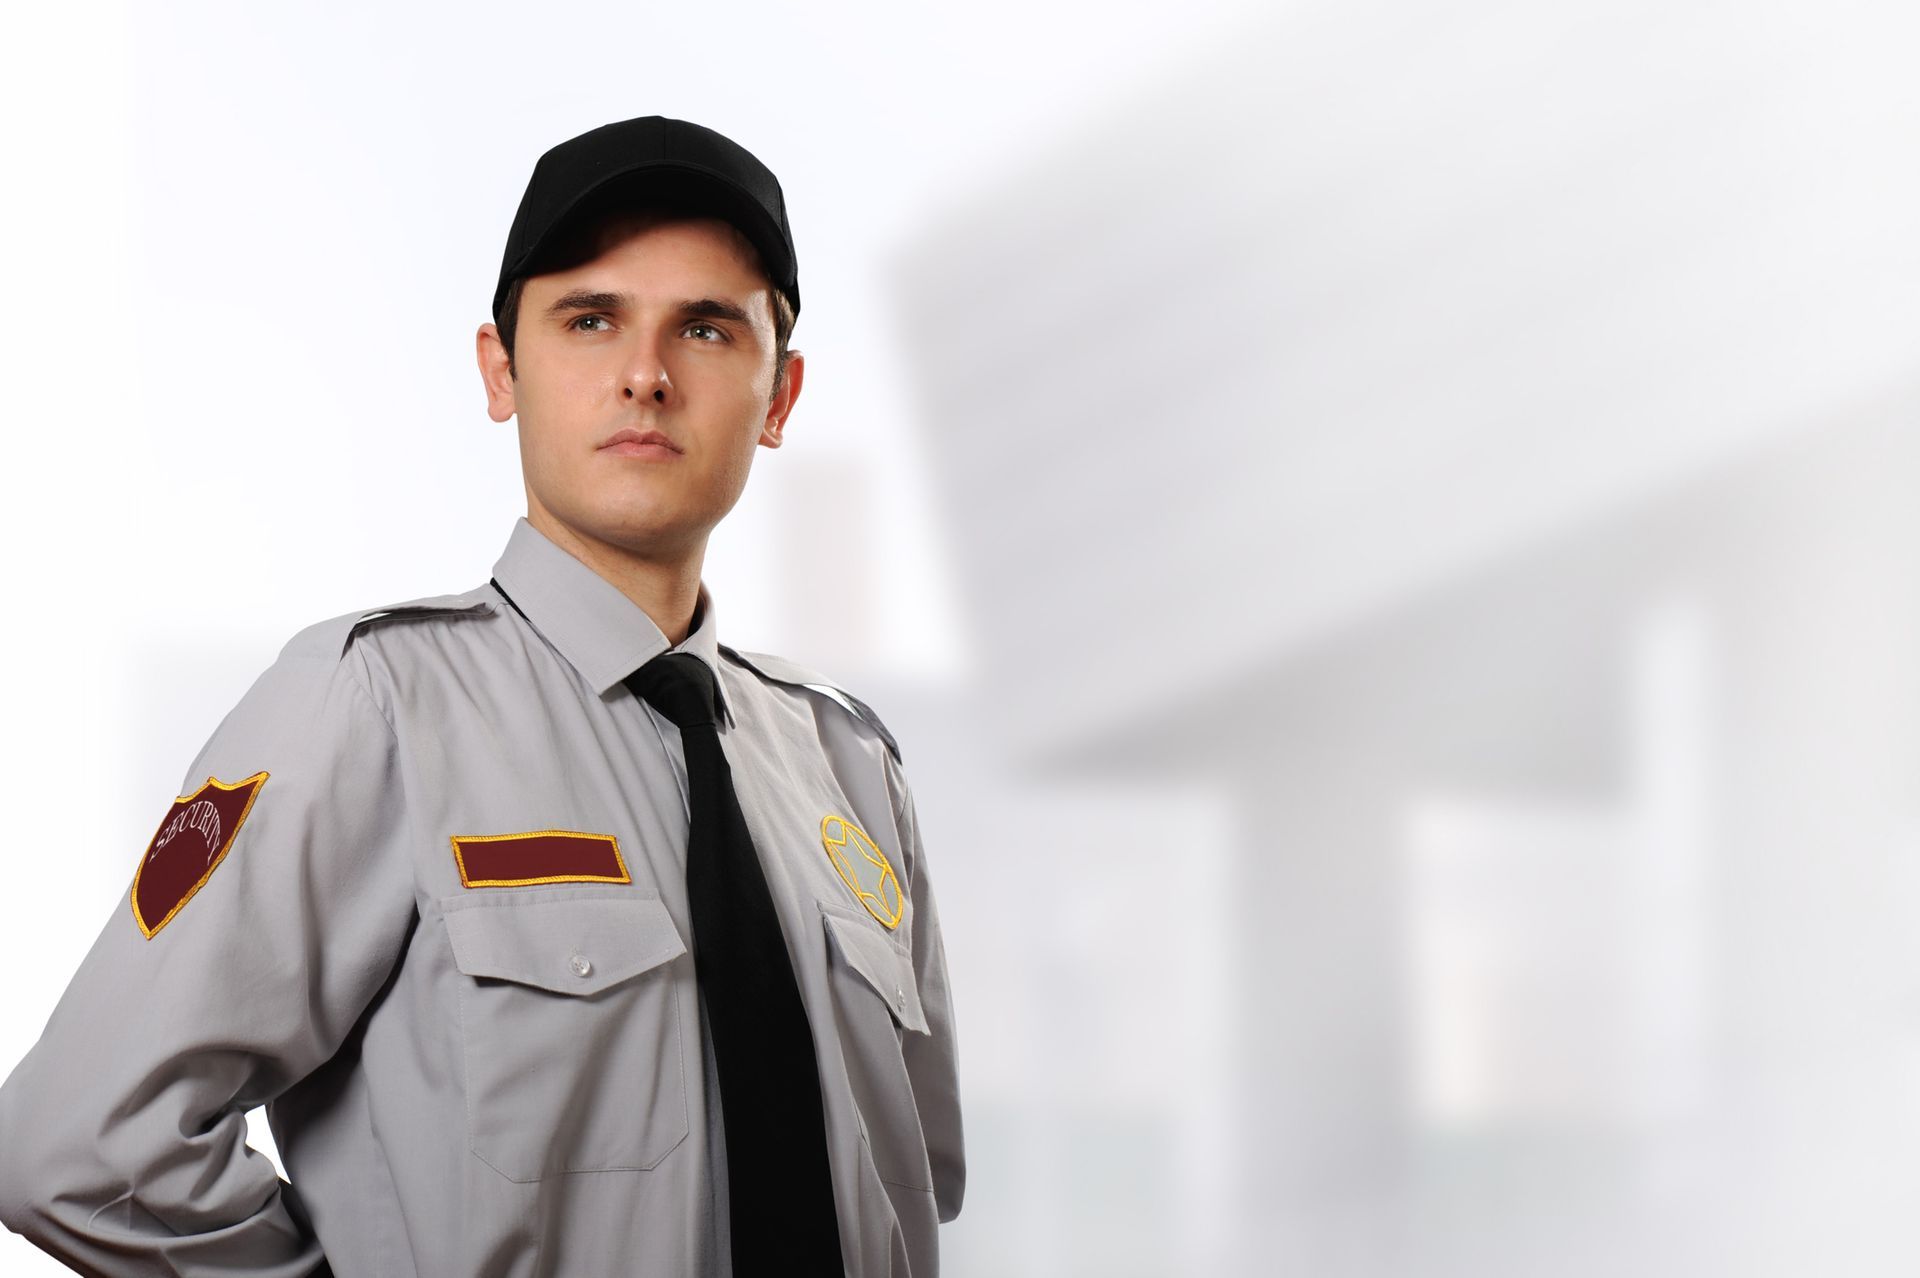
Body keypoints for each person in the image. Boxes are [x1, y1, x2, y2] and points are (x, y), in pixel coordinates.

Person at [0, 114, 964, 1277]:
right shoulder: (371, 709)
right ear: (501, 371)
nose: (647, 374)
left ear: (780, 396)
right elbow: (80, 1148)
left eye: (706, 328)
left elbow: (921, 1181)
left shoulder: (848, 763)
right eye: (590, 318)